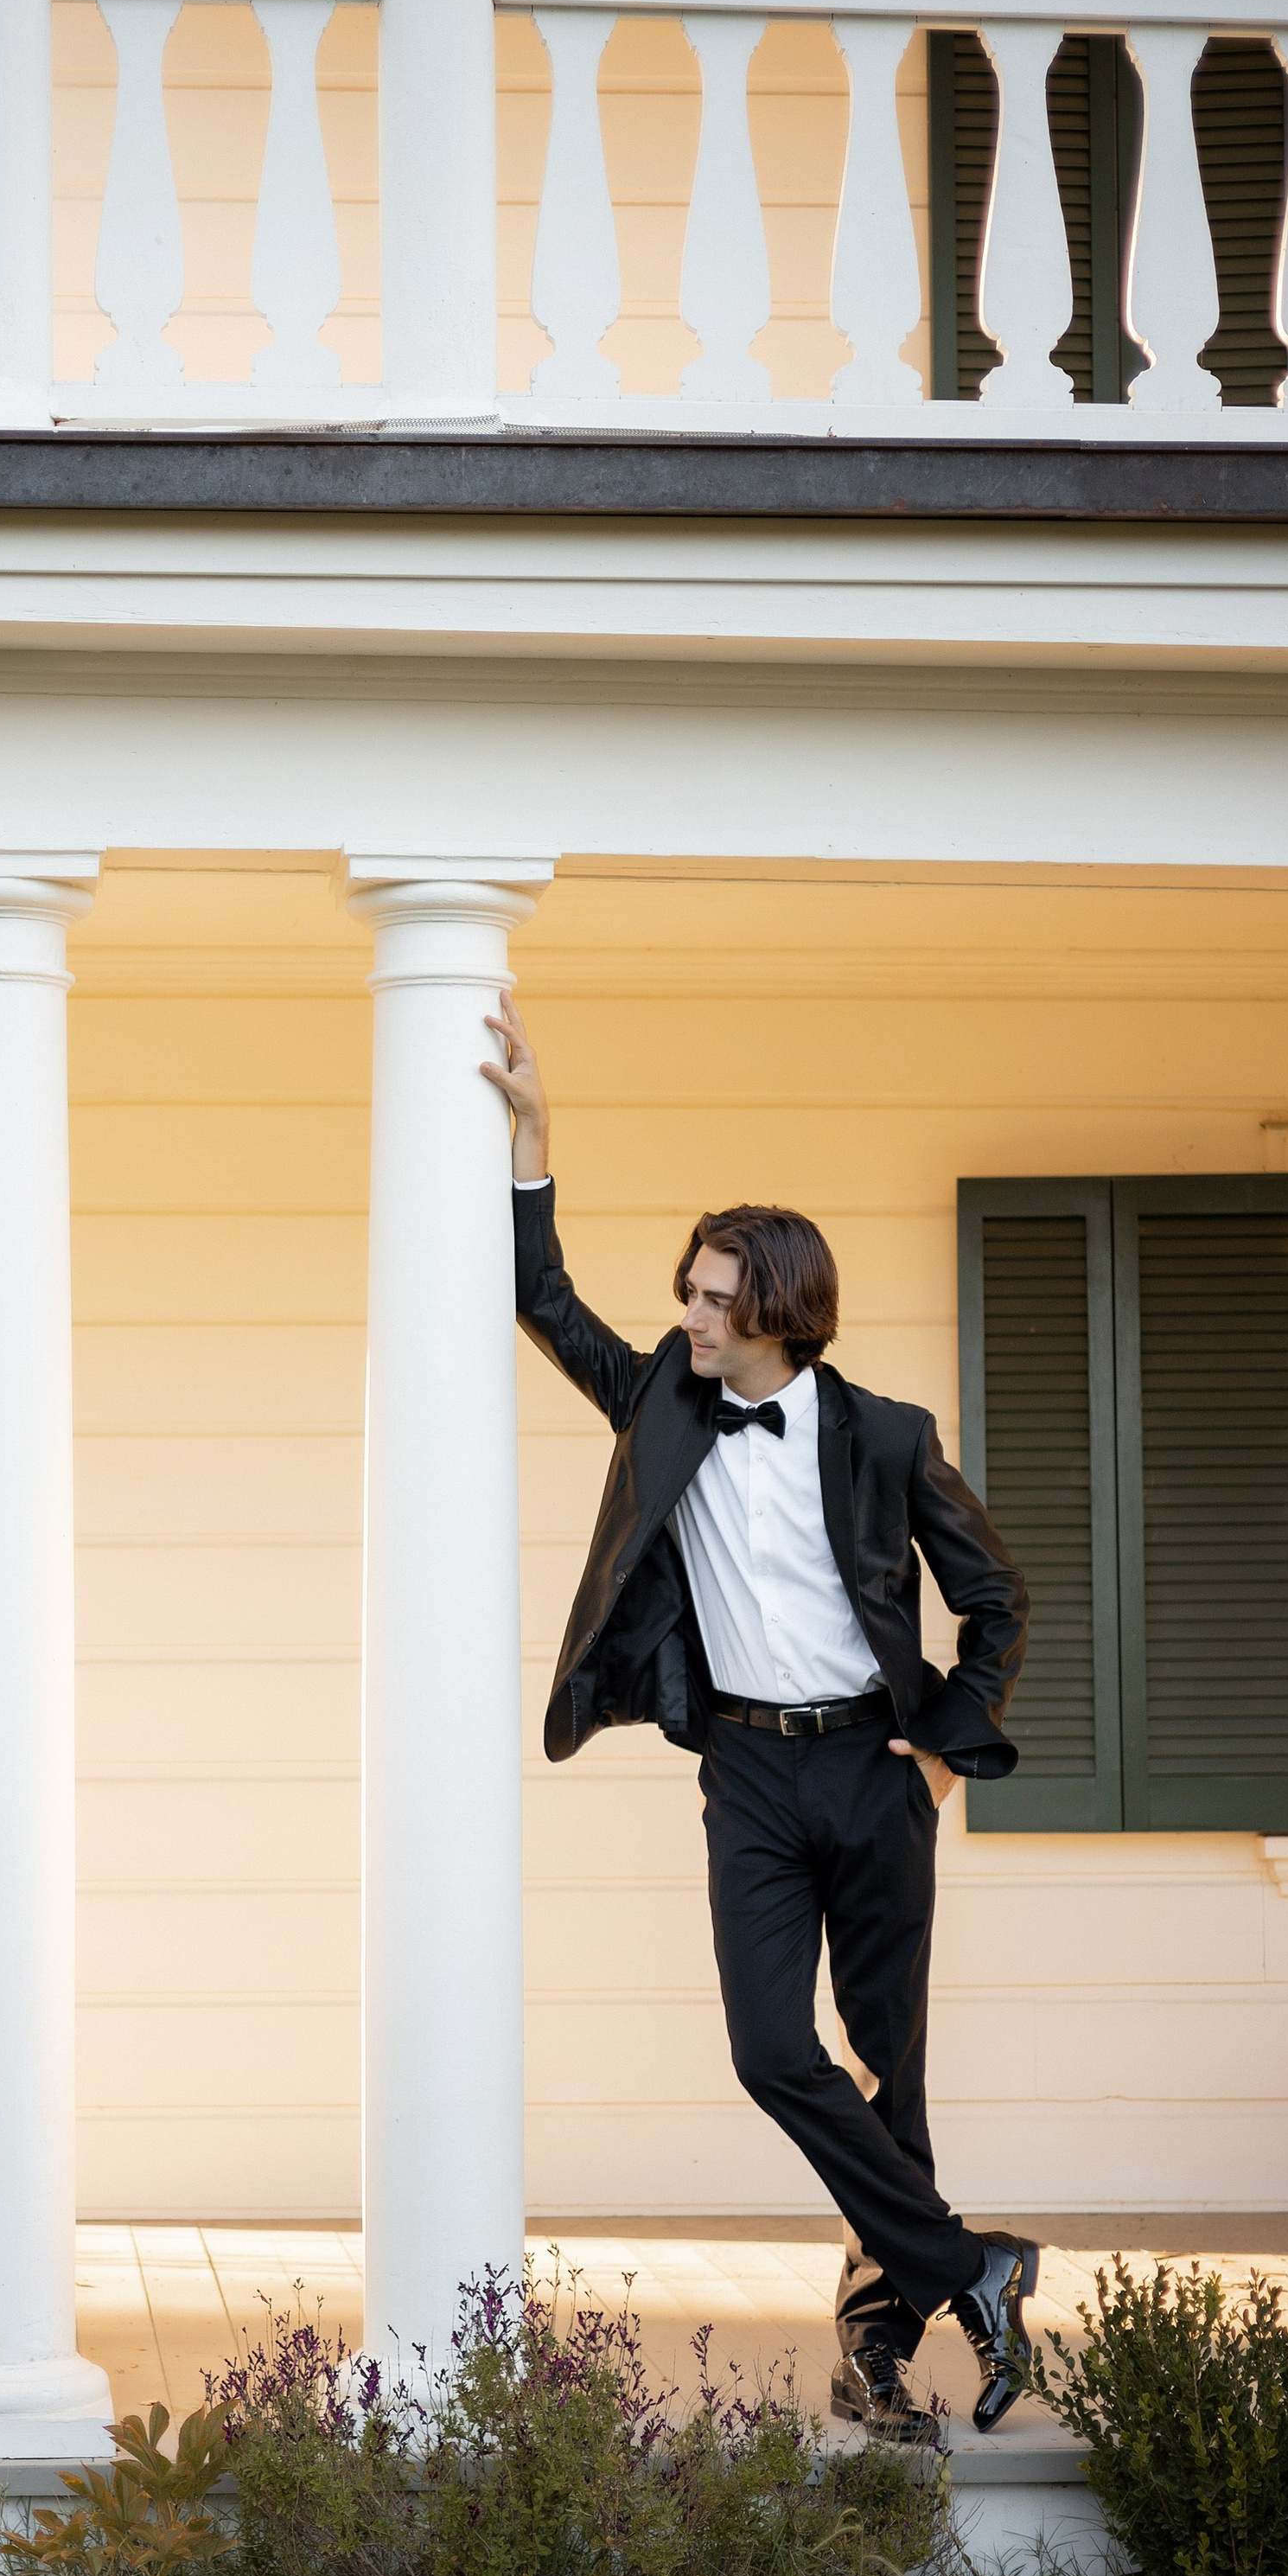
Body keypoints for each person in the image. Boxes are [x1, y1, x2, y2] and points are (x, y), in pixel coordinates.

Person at [481, 993, 1037, 2445]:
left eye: (718, 1299)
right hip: (746, 1770)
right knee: (769, 2050)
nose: (691, 1315)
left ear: (781, 1312)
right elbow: (541, 1301)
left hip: (876, 1769)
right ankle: (975, 2268)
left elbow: (998, 1598)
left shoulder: (889, 1438)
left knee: (889, 2067)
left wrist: (939, 1748)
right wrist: (536, 1142)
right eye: (689, 1290)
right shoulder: (665, 1399)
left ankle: (878, 2360)